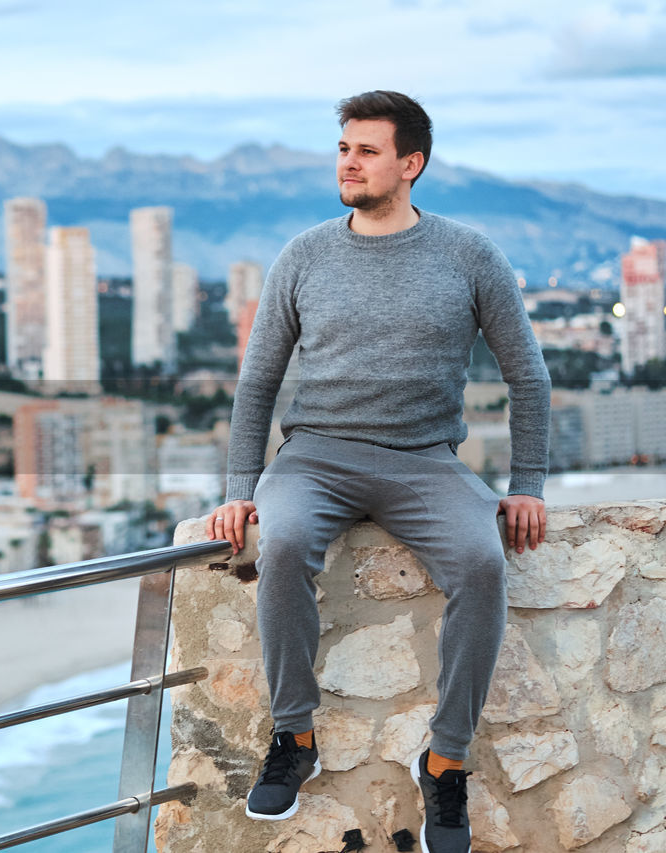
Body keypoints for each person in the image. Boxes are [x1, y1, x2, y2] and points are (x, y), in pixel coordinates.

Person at [205, 90, 550, 853]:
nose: (349, 162)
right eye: (343, 149)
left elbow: (529, 376)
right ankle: (294, 736)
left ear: (410, 163)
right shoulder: (304, 254)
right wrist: (237, 491)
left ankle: (446, 758)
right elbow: (257, 382)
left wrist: (528, 482)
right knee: (283, 545)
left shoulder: (469, 255)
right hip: (315, 457)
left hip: (425, 462)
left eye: (366, 150)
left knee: (482, 563)